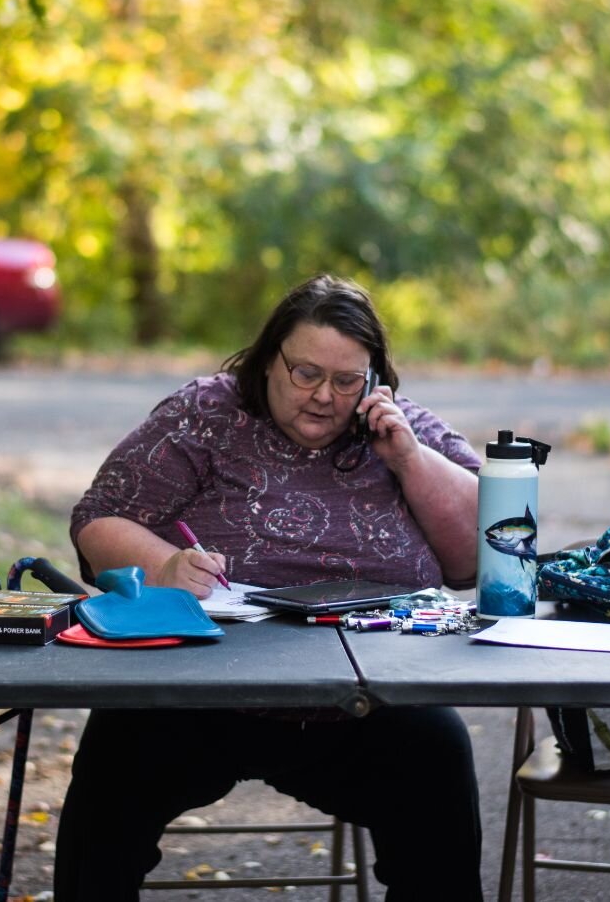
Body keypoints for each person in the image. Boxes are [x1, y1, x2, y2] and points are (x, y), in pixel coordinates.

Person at [54, 275, 484, 901]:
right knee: (111, 778)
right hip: (194, 695)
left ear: (374, 383)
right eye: (306, 373)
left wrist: (409, 460)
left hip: (359, 705)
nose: (324, 397)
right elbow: (97, 519)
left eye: (346, 382)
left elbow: (474, 559)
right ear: (268, 359)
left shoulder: (398, 430)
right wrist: (166, 566)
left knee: (439, 755)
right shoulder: (207, 413)